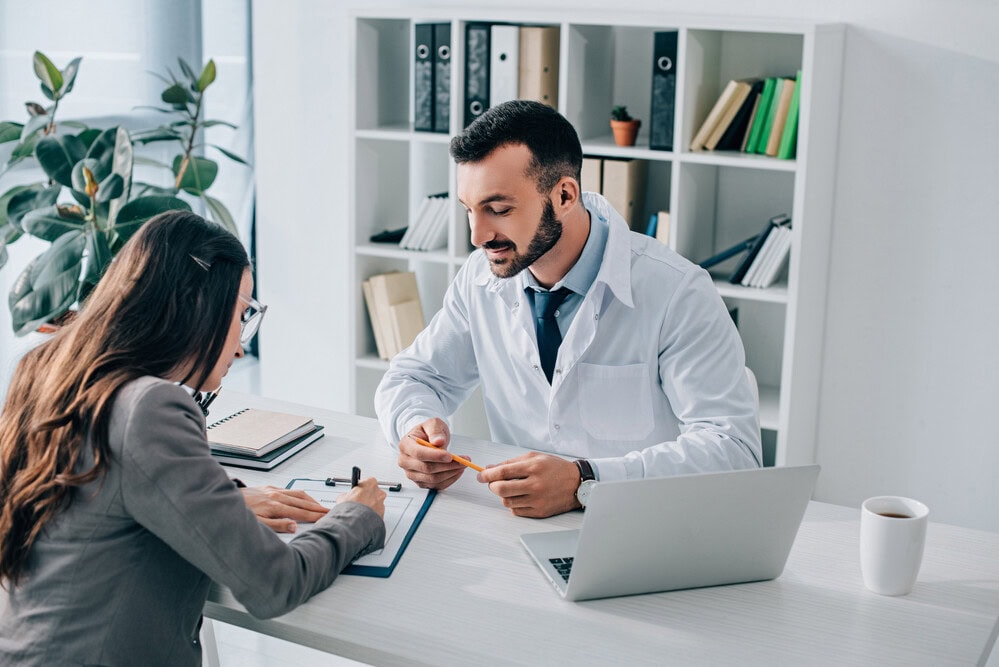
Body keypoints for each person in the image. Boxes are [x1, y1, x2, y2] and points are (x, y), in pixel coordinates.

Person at [0, 211, 386, 666]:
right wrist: (356, 518)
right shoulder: (149, 406)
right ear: (194, 304)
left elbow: (96, 500)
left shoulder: (46, 370)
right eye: (241, 314)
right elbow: (273, 584)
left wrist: (223, 503)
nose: (241, 345)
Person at [375, 100, 761, 519]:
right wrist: (414, 428)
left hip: (644, 529)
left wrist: (585, 481)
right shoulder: (480, 278)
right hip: (518, 527)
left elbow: (733, 451)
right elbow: (414, 376)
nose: (478, 235)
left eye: (499, 210)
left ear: (563, 195)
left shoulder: (677, 292)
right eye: (470, 210)